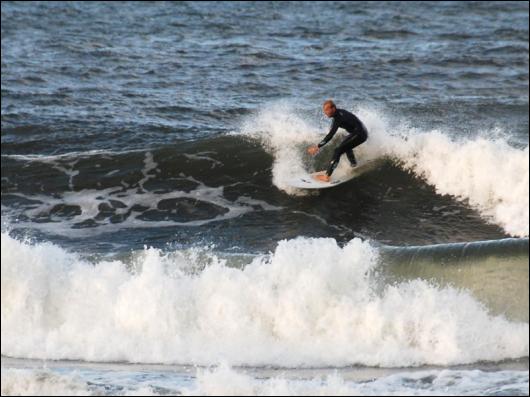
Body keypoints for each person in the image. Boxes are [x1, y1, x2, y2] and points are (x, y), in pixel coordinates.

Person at [307, 100, 368, 182]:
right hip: (361, 131)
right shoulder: (339, 114)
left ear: (333, 108)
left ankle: (327, 176)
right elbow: (331, 132)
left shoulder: (339, 118)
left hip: (360, 134)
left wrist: (317, 146)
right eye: (324, 110)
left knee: (338, 150)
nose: (325, 112)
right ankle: (354, 164)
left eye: (327, 110)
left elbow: (330, 135)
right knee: (345, 145)